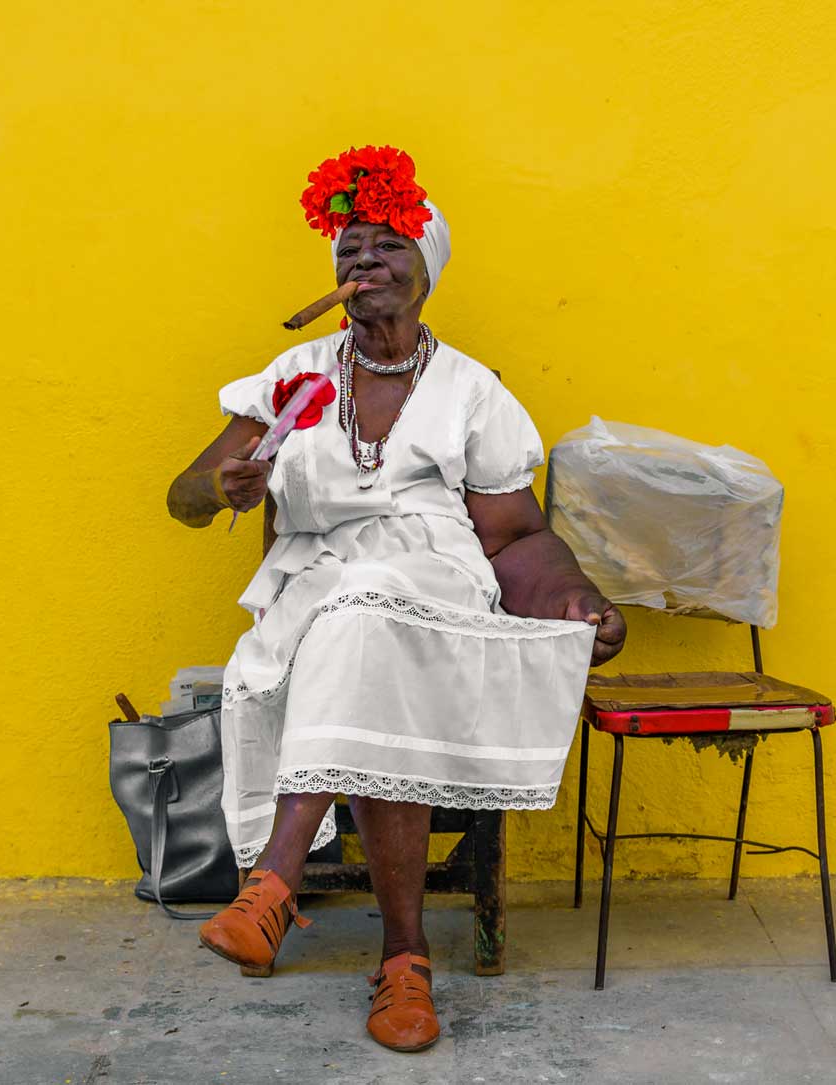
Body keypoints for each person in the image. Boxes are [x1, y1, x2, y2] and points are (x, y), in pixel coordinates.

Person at [166, 146, 625, 1052]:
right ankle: (406, 961)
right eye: (348, 251)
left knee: (373, 601)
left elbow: (516, 538)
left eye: (386, 249)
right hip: (316, 605)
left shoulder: (469, 393)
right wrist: (219, 486)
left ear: (426, 275)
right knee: (357, 618)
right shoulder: (294, 379)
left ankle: (273, 882)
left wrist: (574, 599)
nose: (361, 263)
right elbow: (181, 494)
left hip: (438, 595)